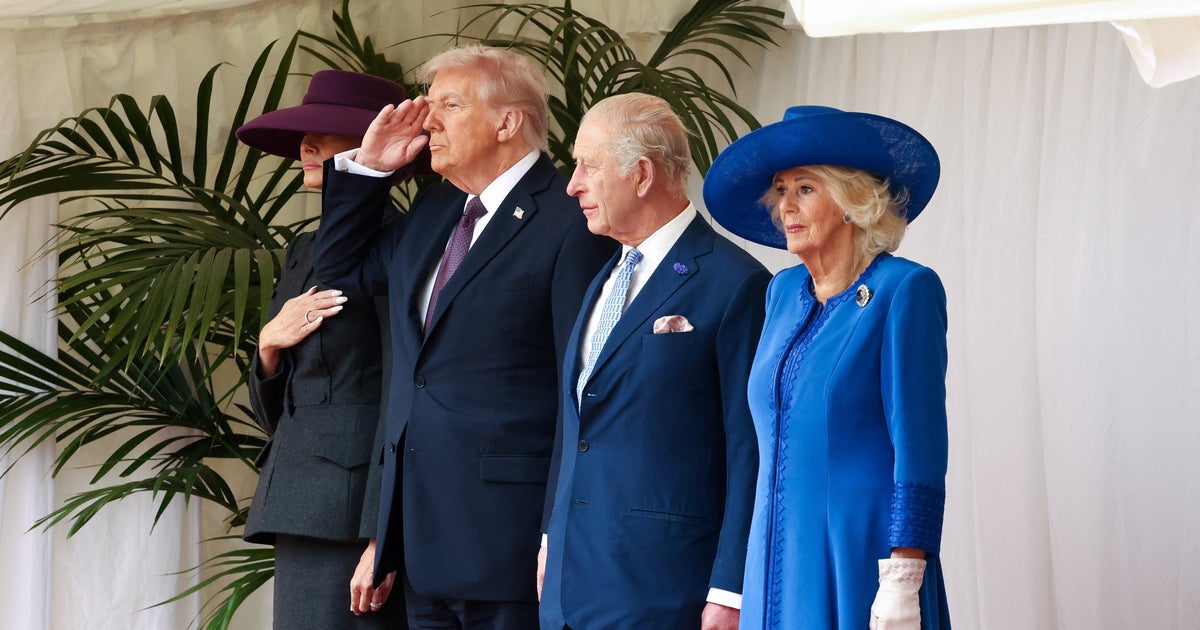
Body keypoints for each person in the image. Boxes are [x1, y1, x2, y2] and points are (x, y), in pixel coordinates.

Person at [312, 45, 617, 628]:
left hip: (512, 544)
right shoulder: (435, 211)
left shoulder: (571, 217)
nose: (428, 121)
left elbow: (579, 390)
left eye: (448, 105)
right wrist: (369, 170)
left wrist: (559, 531)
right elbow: (341, 276)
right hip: (422, 545)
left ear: (507, 122)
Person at [703, 105, 952, 630]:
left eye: (806, 189)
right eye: (780, 189)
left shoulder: (903, 290)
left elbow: (920, 446)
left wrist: (906, 576)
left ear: (851, 201)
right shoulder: (782, 291)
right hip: (774, 549)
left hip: (859, 552)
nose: (785, 206)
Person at [535, 93, 768, 630]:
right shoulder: (602, 277)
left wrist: (730, 589)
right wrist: (553, 536)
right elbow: (577, 423)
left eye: (588, 166)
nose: (572, 184)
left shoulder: (736, 283)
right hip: (571, 588)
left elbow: (749, 446)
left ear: (640, 174)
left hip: (666, 591)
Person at [235, 70, 417, 629]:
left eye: (326, 133)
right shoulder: (303, 248)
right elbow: (286, 406)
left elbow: (401, 391)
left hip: (356, 509)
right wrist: (267, 344)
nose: (307, 147)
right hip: (299, 498)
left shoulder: (405, 242)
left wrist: (381, 534)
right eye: (304, 135)